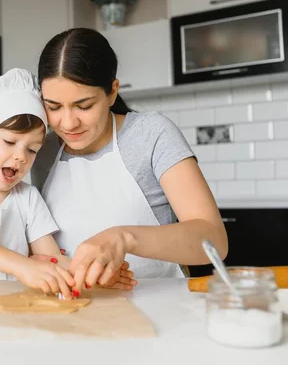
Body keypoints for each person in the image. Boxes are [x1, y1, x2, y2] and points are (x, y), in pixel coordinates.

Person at [31, 28, 228, 294]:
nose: (67, 123)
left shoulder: (151, 134)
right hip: (76, 311)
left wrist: (123, 238)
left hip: (162, 309)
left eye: (84, 106)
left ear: (112, 92)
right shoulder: (41, 151)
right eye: (53, 107)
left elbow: (214, 240)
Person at [0, 68, 136, 298]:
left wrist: (94, 275)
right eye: (9, 142)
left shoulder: (27, 197)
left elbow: (50, 258)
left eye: (32, 149)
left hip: (5, 313)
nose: (21, 156)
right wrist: (23, 266)